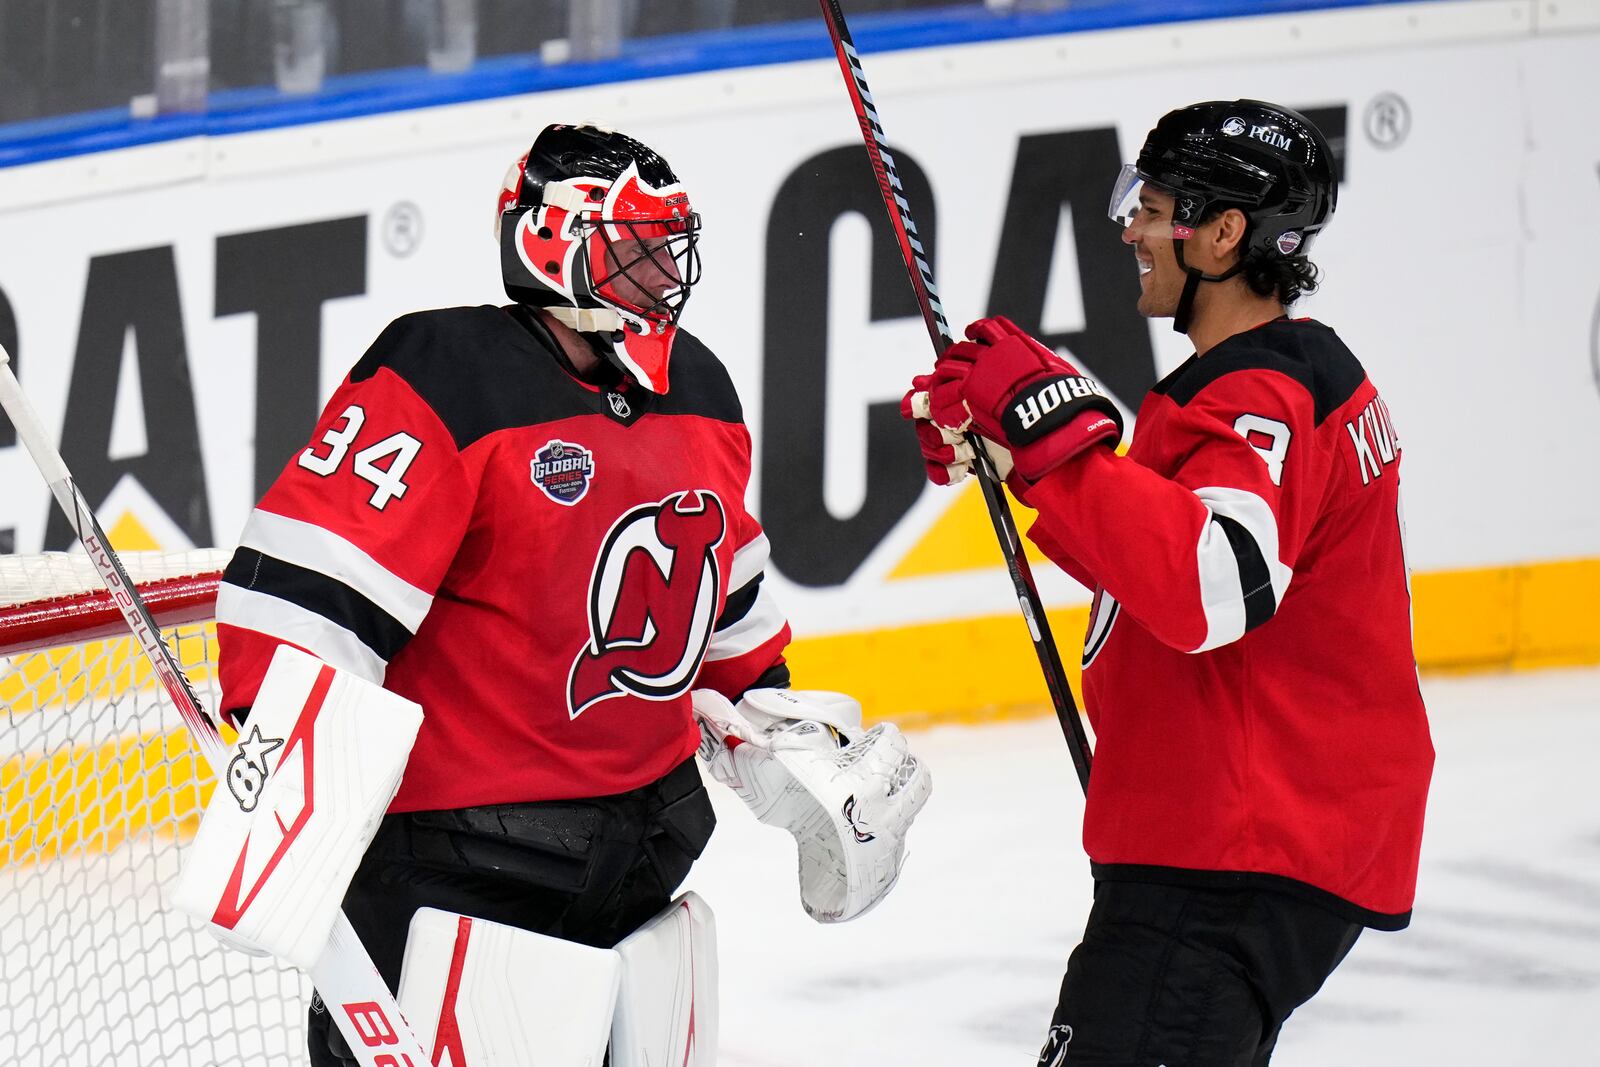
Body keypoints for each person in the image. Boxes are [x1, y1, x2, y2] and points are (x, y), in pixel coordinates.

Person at [215, 122, 929, 1065]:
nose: (662, 271)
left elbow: (728, 615)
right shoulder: (447, 374)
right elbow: (302, 597)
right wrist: (287, 796)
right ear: (554, 243)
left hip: (642, 872)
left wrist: (789, 739)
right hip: (463, 882)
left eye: (667, 246)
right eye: (633, 246)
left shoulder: (700, 388)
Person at [903, 100, 1434, 1064]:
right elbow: (1165, 557)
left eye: (1152, 209)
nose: (1131, 230)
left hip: (1224, 866)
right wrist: (1028, 458)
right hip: (1238, 848)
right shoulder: (1268, 380)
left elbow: (1212, 586)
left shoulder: (1262, 396)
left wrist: (1056, 448)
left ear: (1225, 233)